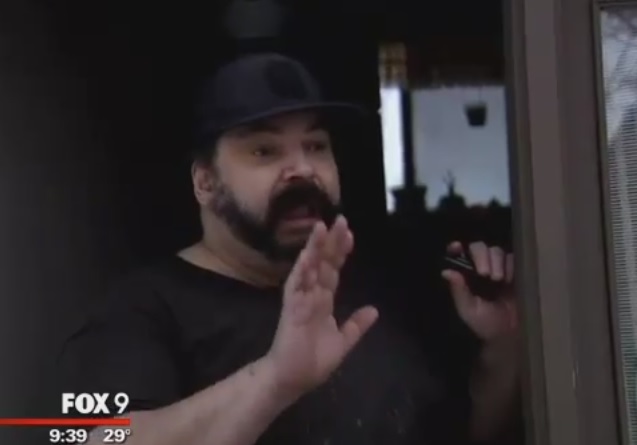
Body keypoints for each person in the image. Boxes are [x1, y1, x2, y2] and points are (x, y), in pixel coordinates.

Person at [58, 53, 521, 445]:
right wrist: (276, 379)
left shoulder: (384, 285)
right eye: (265, 151)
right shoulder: (142, 310)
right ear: (205, 182)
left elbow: (466, 432)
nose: (302, 169)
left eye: (316, 146)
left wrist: (505, 347)